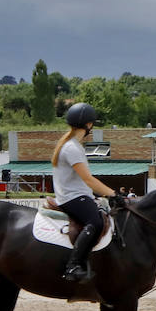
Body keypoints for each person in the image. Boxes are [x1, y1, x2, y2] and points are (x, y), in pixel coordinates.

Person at [51, 102, 121, 283]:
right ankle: (73, 265)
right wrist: (113, 194)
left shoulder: (69, 144)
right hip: (72, 197)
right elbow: (88, 179)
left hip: (76, 194)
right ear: (89, 124)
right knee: (95, 222)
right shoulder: (72, 148)